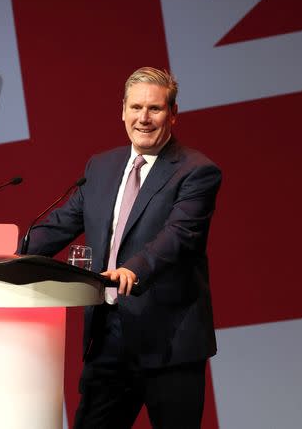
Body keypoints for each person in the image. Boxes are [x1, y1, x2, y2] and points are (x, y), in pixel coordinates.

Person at [25, 67, 222, 428]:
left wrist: (135, 268)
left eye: (154, 109)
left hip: (169, 342)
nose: (143, 118)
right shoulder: (101, 166)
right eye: (135, 108)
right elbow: (62, 223)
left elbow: (179, 235)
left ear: (173, 114)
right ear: (122, 112)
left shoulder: (196, 171)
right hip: (110, 337)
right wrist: (12, 251)